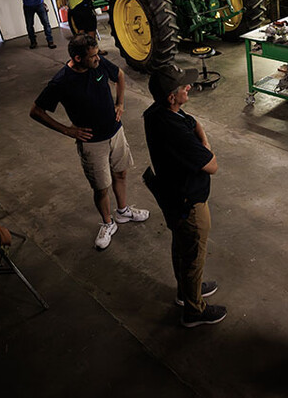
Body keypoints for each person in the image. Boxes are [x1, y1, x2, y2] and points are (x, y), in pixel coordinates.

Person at [30, 33, 147, 250]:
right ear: (76, 58)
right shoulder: (61, 81)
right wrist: (67, 130)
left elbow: (119, 75)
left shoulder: (99, 65)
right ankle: (107, 223)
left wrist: (120, 103)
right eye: (92, 56)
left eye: (97, 54)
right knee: (101, 187)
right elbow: (36, 111)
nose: (98, 59)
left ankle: (122, 212)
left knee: (121, 173)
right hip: (93, 143)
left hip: (115, 132)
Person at [143, 64, 224, 327]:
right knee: (192, 256)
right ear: (171, 97)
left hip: (172, 197)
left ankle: (186, 291)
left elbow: (194, 122)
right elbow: (212, 165)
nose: (188, 86)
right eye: (183, 86)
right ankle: (194, 310)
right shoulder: (175, 132)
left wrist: (199, 134)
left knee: (181, 248)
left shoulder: (156, 113)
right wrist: (206, 144)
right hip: (189, 203)